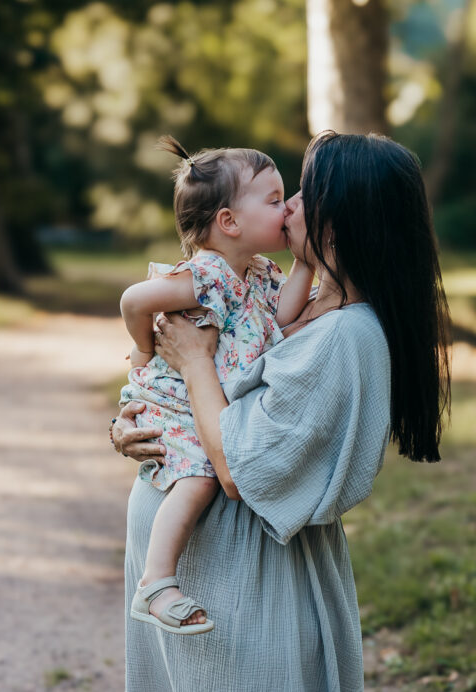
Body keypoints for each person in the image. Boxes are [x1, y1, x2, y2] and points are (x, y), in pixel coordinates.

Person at [111, 131, 451, 691]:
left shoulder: (346, 336)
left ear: (338, 223)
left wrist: (194, 361)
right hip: (197, 556)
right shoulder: (295, 302)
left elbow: (238, 468)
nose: (289, 205)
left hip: (242, 575)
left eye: (302, 194)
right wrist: (132, 421)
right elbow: (208, 382)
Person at [119, 136, 313, 635]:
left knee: (204, 473)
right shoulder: (208, 275)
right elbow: (134, 300)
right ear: (229, 222)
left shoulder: (258, 271)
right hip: (175, 402)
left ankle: (157, 581)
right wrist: (142, 350)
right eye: (274, 200)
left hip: (203, 399)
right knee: (201, 478)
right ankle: (155, 583)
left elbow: (282, 316)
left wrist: (306, 262)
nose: (287, 208)